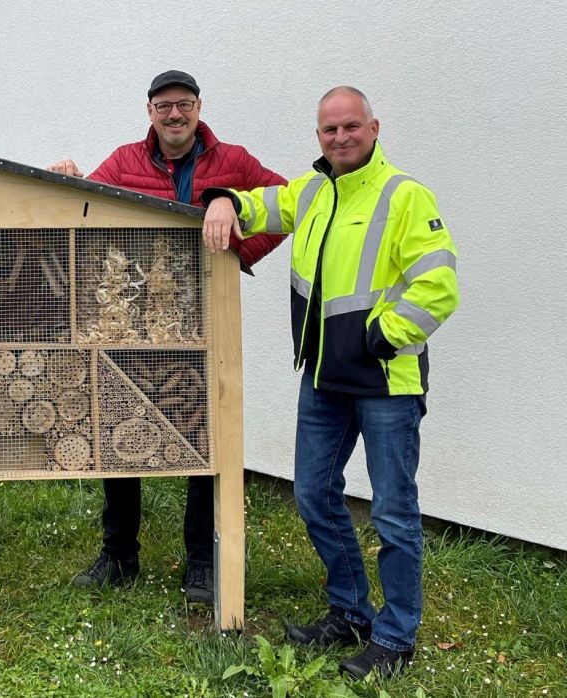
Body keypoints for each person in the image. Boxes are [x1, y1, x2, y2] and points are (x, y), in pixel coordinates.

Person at [202, 86, 459, 678]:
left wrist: (381, 336)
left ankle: (395, 639)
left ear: (373, 127)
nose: (339, 137)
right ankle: (350, 611)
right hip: (322, 379)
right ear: (318, 136)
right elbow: (263, 205)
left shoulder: (405, 196)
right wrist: (223, 202)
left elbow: (438, 284)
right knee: (313, 493)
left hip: (385, 382)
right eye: (328, 130)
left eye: (350, 127)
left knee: (394, 513)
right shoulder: (314, 190)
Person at [48, 70, 287, 604]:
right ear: (150, 111)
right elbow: (83, 207)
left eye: (183, 104)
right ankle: (118, 555)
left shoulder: (235, 161)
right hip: (133, 326)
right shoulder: (126, 161)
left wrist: (238, 256)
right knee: (120, 428)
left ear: (199, 107)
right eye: (163, 106)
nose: (173, 115)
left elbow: (285, 205)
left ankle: (201, 561)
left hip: (202, 323)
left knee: (203, 437)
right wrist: (66, 175)